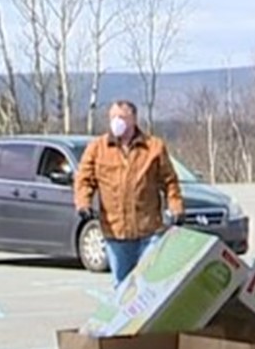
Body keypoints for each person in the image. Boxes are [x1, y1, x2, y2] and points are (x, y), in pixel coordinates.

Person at [74, 99, 184, 286]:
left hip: (149, 231)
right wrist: (83, 203)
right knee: (123, 286)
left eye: (122, 117)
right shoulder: (97, 148)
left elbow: (170, 181)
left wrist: (176, 207)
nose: (117, 121)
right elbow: (84, 180)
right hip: (116, 232)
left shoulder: (154, 147)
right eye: (113, 117)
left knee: (150, 284)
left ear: (133, 119)